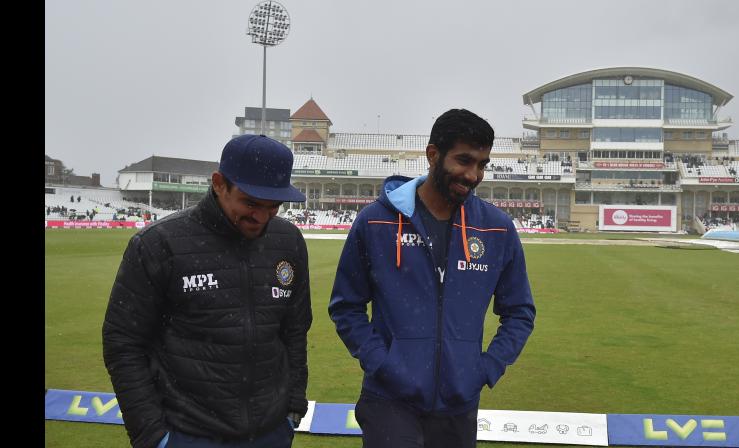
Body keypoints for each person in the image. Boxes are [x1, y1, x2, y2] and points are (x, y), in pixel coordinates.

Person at [328, 109, 535, 448]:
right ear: (433, 154)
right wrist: (383, 362)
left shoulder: (496, 228)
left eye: (482, 164)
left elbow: (520, 312)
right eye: (464, 160)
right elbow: (346, 307)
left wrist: (485, 368)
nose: (473, 175)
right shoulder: (375, 222)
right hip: (389, 401)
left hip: (459, 405)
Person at [103, 135, 312, 448]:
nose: (261, 217)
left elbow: (295, 329)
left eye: (274, 207)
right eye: (251, 202)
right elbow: (123, 343)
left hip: (271, 432)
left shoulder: (289, 241)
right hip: (187, 434)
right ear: (219, 184)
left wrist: (293, 405)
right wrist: (152, 436)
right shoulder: (159, 244)